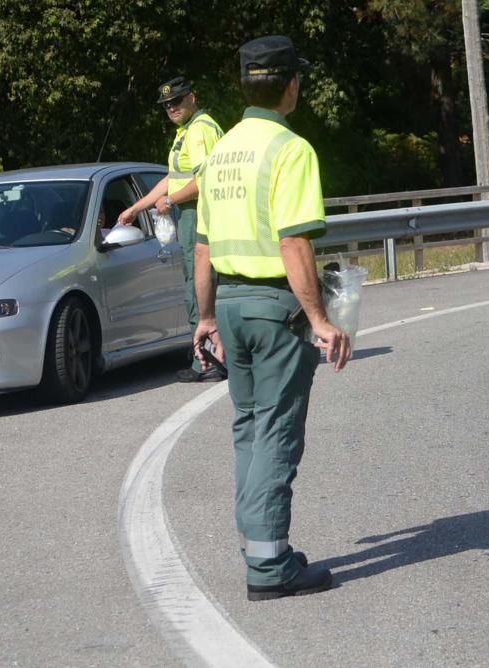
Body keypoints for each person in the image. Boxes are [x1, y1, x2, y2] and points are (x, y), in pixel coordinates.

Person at [192, 35, 352, 601]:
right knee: (278, 431)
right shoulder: (290, 149)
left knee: (249, 427)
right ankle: (269, 565)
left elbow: (204, 246)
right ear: (291, 85)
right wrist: (321, 319)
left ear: (244, 85)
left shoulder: (219, 153)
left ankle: (258, 543)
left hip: (230, 308)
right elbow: (293, 242)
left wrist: (206, 315)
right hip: (275, 309)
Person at [118, 76, 225, 382]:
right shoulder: (187, 130)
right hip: (189, 211)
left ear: (193, 97)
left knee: (199, 285)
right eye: (166, 105)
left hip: (198, 212)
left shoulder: (200, 130)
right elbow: (173, 177)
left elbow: (204, 180)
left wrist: (171, 200)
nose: (172, 108)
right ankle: (210, 356)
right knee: (198, 282)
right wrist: (137, 208)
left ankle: (205, 360)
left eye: (177, 101)